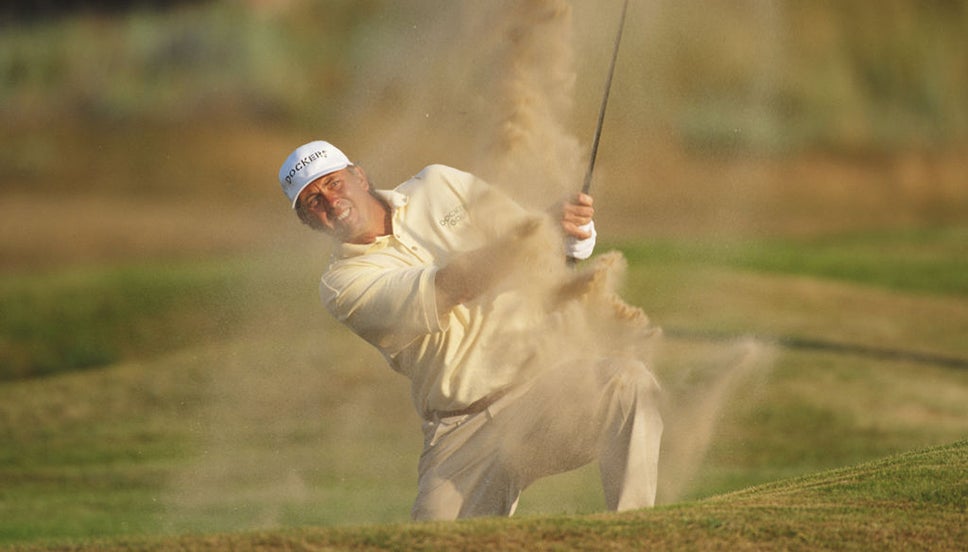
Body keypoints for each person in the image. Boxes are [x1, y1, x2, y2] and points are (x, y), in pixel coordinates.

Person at [277, 140, 662, 520]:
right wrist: (540, 231)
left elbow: (531, 240)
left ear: (358, 177)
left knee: (627, 383)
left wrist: (568, 239)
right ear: (308, 221)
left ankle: (634, 531)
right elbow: (451, 287)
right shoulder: (343, 284)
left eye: (333, 184)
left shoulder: (437, 184)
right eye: (313, 202)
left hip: (545, 395)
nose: (331, 202)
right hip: (463, 430)